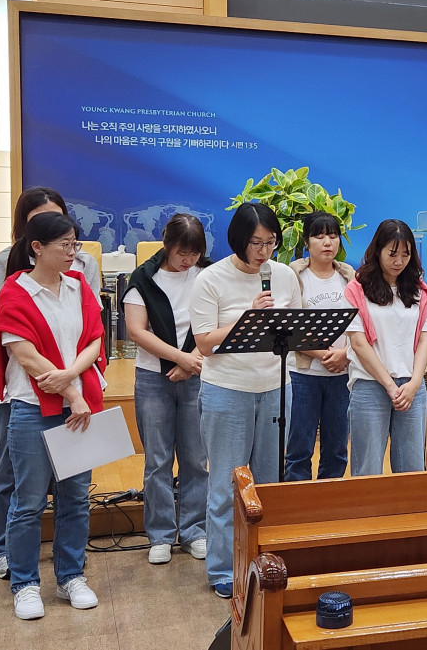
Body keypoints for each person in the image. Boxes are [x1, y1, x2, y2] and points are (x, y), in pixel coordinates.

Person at [0, 212, 105, 620]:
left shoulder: (77, 286)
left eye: (76, 244)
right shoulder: (15, 290)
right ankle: (24, 584)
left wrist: (71, 378)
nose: (73, 252)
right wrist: (72, 391)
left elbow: (95, 339)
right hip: (32, 409)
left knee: (76, 498)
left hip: (78, 407)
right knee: (29, 502)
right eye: (65, 245)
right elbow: (25, 355)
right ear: (37, 247)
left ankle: (71, 575)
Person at [189, 202, 301, 599]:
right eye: (256, 243)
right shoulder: (210, 278)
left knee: (269, 483)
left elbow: (295, 327)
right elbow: (204, 342)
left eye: (271, 243)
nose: (263, 252)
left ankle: (265, 561)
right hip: (227, 389)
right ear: (238, 240)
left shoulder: (284, 276)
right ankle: (223, 568)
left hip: (275, 386)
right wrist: (248, 318)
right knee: (227, 483)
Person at [122, 213, 211, 565]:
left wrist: (191, 361)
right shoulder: (143, 278)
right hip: (152, 379)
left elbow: (217, 322)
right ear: (166, 244)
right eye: (181, 253)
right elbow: (136, 331)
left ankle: (194, 530)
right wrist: (180, 358)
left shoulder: (207, 275)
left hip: (197, 374)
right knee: (157, 459)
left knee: (196, 458)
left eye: (194, 253)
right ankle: (159, 535)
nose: (188, 260)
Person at [344, 219, 427, 475]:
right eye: (392, 254)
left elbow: (424, 339)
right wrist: (389, 385)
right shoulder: (357, 289)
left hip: (411, 387)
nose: (399, 261)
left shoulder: (417, 290)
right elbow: (358, 343)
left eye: (405, 255)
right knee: (367, 467)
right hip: (370, 384)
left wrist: (415, 383)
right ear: (378, 251)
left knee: (412, 467)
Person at [285, 212, 355, 481]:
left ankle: (330, 502)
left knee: (337, 449)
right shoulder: (293, 275)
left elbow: (362, 323)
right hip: (303, 375)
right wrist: (324, 354)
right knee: (299, 448)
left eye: (333, 236)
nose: (327, 242)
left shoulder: (349, 276)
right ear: (306, 241)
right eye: (320, 236)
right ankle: (297, 501)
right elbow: (287, 326)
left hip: (342, 374)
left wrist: (345, 355)